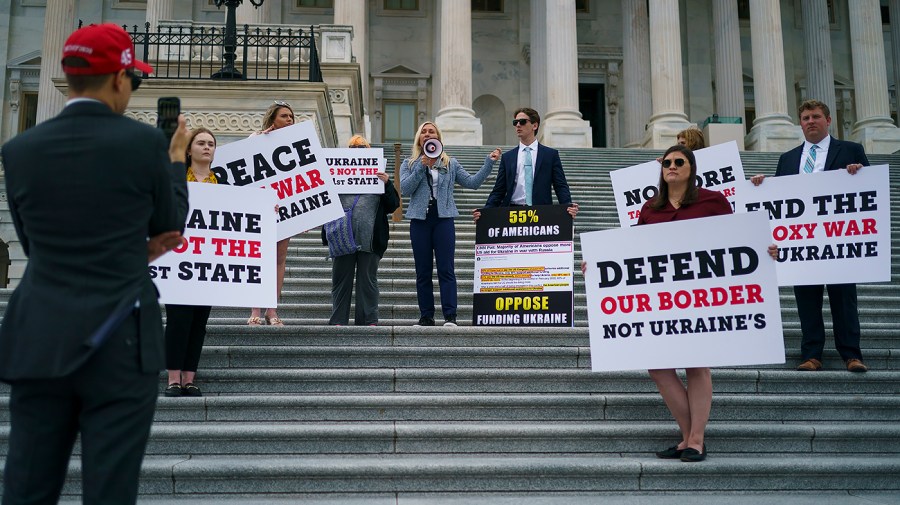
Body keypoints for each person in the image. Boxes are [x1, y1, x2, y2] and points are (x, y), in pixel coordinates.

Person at [0, 23, 190, 504]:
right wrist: (173, 160)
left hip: (39, 334)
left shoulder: (19, 151)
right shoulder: (144, 144)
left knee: (26, 487)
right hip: (120, 336)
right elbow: (170, 226)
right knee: (110, 489)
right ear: (120, 79)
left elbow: (36, 245)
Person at [584, 145, 732, 463]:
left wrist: (765, 250)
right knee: (658, 367)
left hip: (699, 295)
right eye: (667, 163)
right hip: (660, 301)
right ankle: (687, 435)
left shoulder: (713, 201)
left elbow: (735, 240)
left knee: (696, 363)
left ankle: (695, 439)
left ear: (692, 168)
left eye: (679, 162)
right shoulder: (651, 208)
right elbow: (633, 247)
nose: (672, 166)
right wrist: (597, 261)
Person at [750, 99, 869, 373]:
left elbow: (868, 196)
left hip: (838, 242)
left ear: (828, 121)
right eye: (805, 117)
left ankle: (852, 354)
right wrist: (760, 185)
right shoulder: (788, 159)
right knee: (806, 302)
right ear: (800, 123)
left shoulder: (851, 150)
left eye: (816, 116)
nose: (810, 121)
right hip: (801, 244)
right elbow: (779, 202)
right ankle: (812, 354)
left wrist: (859, 173)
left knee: (844, 299)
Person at [400, 121, 500, 326]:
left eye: (432, 132)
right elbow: (405, 190)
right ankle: (426, 315)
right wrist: (421, 167)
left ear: (438, 137)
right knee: (423, 271)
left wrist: (488, 163)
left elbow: (473, 183)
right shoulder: (409, 163)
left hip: (443, 219)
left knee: (446, 269)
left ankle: (450, 315)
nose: (427, 134)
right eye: (424, 132)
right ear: (419, 138)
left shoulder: (449, 163)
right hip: (420, 221)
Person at [323, 135, 400, 326]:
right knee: (341, 281)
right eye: (353, 147)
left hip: (370, 239)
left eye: (362, 147)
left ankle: (368, 319)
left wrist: (387, 183)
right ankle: (338, 319)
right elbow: (323, 204)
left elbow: (393, 205)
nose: (358, 149)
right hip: (342, 237)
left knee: (368, 281)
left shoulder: (379, 178)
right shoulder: (336, 176)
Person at [164, 128, 218, 397]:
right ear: (189, 150)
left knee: (198, 322)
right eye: (201, 143)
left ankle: (190, 377)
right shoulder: (175, 179)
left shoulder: (222, 182)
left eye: (211, 144)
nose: (207, 147)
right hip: (179, 262)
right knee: (178, 320)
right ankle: (173, 378)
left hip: (207, 263)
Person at [475, 107, 579, 220]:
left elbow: (560, 185)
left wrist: (568, 205)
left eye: (523, 122)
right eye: (515, 123)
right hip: (512, 214)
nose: (518, 125)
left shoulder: (550, 155)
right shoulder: (508, 157)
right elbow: (499, 190)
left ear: (535, 126)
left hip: (542, 213)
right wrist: (485, 212)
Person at [247, 100, 296, 326]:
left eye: (291, 117)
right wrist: (260, 139)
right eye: (284, 116)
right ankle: (255, 308)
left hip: (286, 209)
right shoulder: (256, 138)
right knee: (259, 257)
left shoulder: (299, 143)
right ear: (272, 119)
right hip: (259, 209)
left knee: (279, 258)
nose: (289, 120)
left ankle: (272, 310)